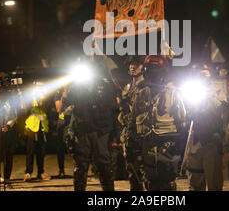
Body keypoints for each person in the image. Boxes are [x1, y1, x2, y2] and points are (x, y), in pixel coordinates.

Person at [133, 55, 187, 191]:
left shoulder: (173, 94)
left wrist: (181, 148)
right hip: (147, 143)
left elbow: (183, 122)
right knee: (150, 182)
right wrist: (131, 145)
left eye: (156, 69)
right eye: (150, 69)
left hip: (168, 144)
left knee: (167, 181)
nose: (153, 73)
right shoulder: (141, 94)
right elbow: (133, 120)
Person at [64, 59, 117, 191]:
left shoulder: (105, 86)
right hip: (82, 131)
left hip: (101, 131)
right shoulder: (76, 86)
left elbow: (112, 107)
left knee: (104, 165)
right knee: (80, 166)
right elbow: (66, 101)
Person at [183, 65, 224, 191]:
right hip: (195, 141)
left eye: (205, 74)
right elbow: (186, 114)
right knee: (195, 181)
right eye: (200, 74)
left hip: (212, 143)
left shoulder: (218, 90)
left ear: (210, 75)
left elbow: (222, 111)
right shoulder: (191, 90)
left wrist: (210, 97)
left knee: (214, 183)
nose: (203, 77)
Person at [117, 56, 145, 191]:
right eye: (131, 64)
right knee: (132, 172)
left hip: (144, 134)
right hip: (129, 133)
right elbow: (122, 112)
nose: (132, 67)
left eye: (136, 64)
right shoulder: (127, 88)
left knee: (146, 171)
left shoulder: (147, 87)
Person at [23, 82, 51, 182]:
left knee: (41, 152)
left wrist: (43, 99)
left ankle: (41, 172)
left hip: (42, 127)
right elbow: (26, 109)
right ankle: (28, 172)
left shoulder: (46, 97)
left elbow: (48, 109)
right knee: (30, 151)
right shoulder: (31, 97)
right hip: (32, 127)